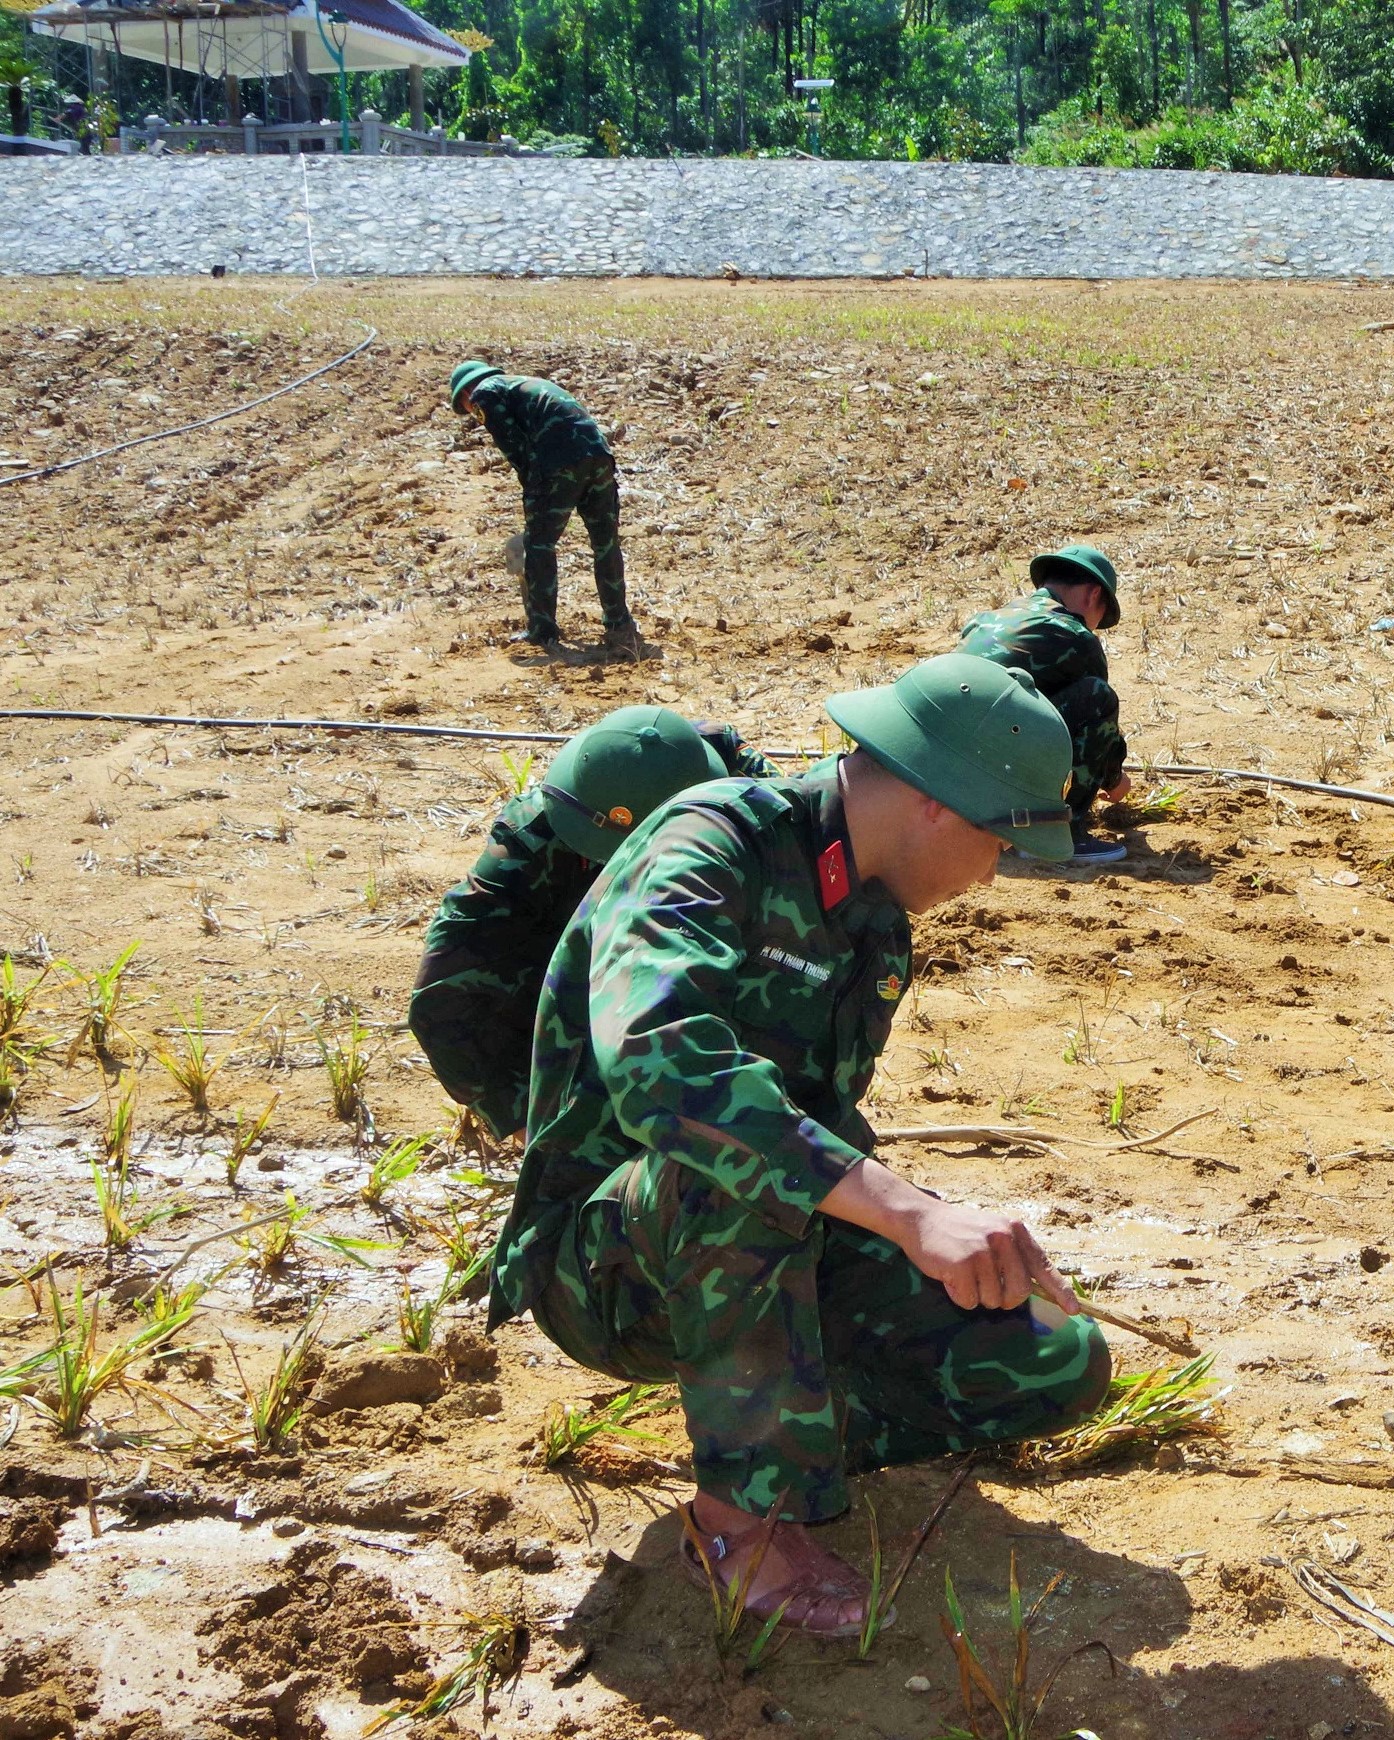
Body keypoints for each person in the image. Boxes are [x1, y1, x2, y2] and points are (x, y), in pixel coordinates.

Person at [487, 654, 1108, 1638]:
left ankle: (772, 1430)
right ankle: (744, 1521)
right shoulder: (711, 839)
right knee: (732, 1166)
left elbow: (823, 1123)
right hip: (608, 1260)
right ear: (940, 806)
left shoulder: (873, 928)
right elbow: (667, 1071)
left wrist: (941, 1235)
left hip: (761, 1254)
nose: (993, 871)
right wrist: (911, 1214)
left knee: (1054, 1361)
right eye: (999, 841)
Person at [408, 706, 778, 1142]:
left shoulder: (722, 766)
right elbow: (442, 999)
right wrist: (525, 1119)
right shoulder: (531, 842)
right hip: (580, 972)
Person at [448, 360, 639, 657]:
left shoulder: (484, 392)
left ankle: (542, 629)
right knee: (605, 543)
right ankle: (619, 623)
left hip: (558, 461)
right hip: (599, 456)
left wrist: (533, 494)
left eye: (466, 406)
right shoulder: (523, 384)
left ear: (466, 393)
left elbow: (514, 448)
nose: (472, 412)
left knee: (538, 545)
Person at [957, 545, 1132, 864]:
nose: (1095, 625)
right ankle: (1061, 836)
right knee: (1097, 696)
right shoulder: (1076, 635)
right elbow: (1099, 719)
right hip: (995, 754)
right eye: (1100, 616)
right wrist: (1115, 780)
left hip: (951, 770)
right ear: (1094, 595)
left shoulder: (984, 620)